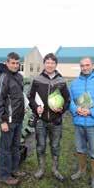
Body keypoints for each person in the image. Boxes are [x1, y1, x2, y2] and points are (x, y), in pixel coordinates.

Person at [28, 53, 70, 181]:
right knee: (40, 145)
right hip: (41, 120)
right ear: (44, 64)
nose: (50, 65)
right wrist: (36, 107)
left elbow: (67, 100)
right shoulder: (37, 79)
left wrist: (62, 109)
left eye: (52, 63)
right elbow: (30, 97)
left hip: (56, 120)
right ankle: (41, 169)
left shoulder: (61, 81)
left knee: (55, 146)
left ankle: (55, 169)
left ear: (56, 65)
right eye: (47, 62)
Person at [69, 57, 94, 188]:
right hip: (79, 122)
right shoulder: (74, 83)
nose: (84, 68)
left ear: (92, 65)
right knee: (80, 149)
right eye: (82, 66)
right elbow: (70, 101)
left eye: (87, 65)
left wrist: (92, 112)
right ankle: (81, 170)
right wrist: (76, 109)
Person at [0, 52, 26, 185]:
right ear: (7, 63)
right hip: (8, 121)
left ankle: (14, 169)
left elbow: (18, 96)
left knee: (15, 146)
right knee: (5, 149)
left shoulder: (18, 76)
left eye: (17, 63)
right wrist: (2, 121)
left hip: (18, 119)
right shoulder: (3, 77)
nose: (15, 65)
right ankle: (4, 175)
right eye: (12, 63)